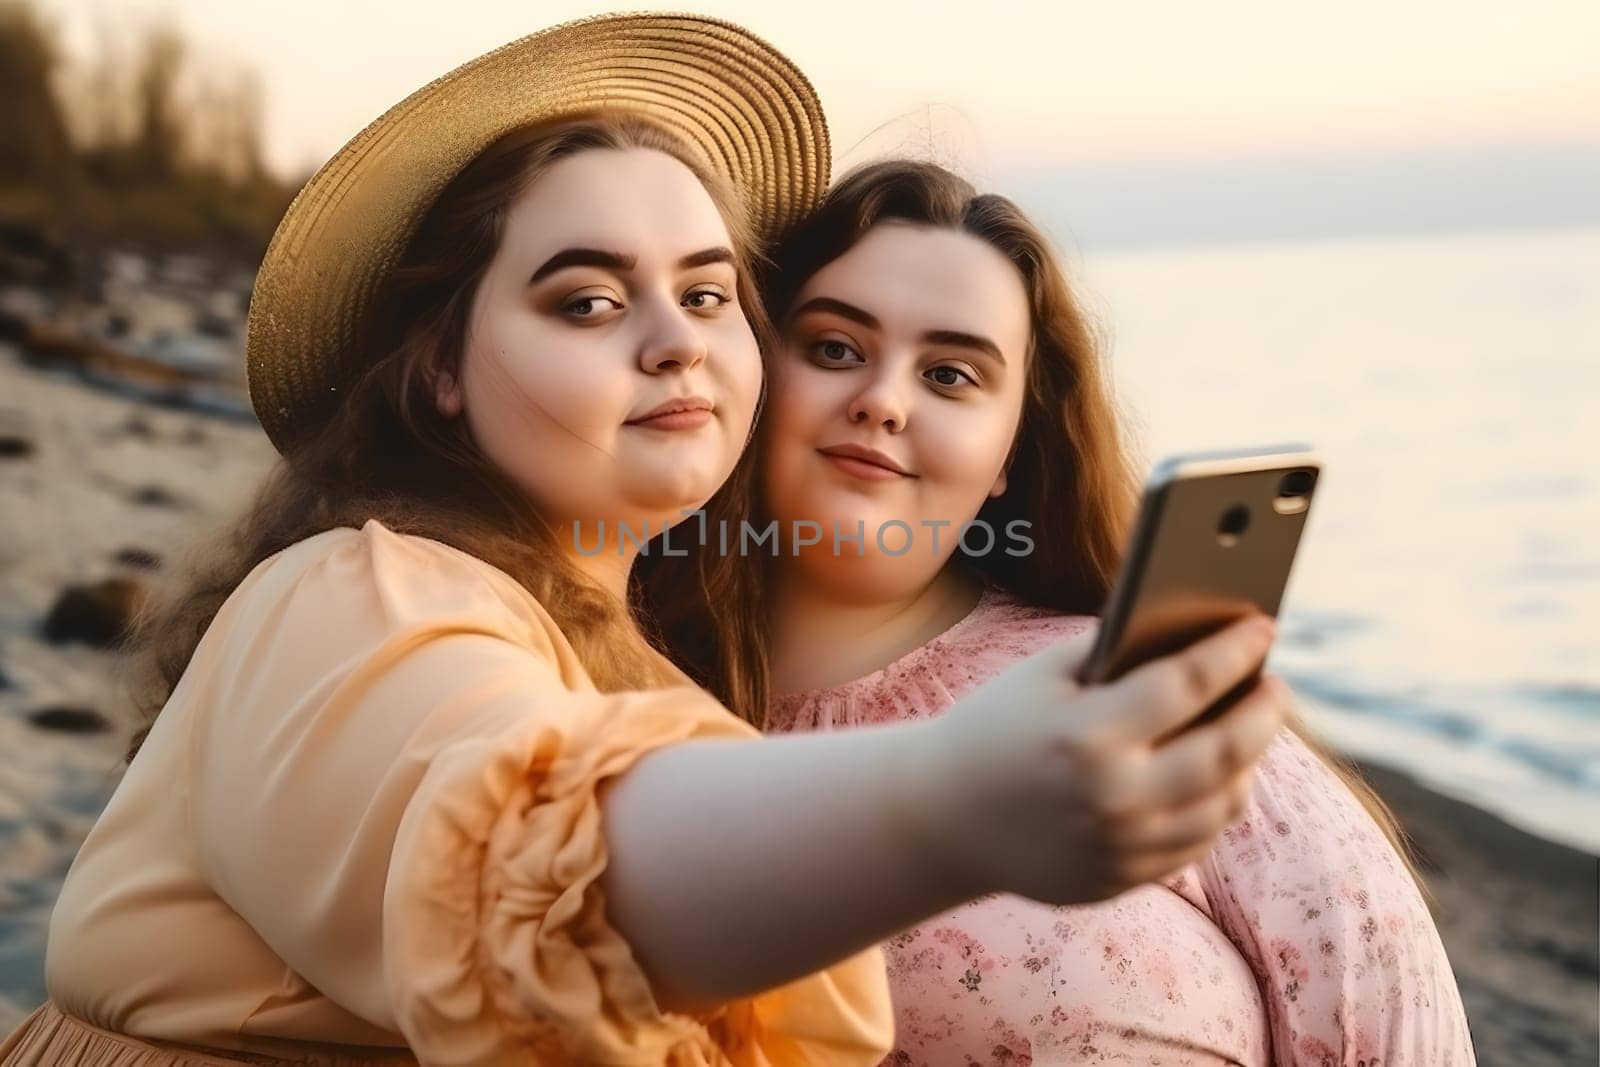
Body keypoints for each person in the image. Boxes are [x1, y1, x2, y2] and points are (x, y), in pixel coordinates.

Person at [1, 16, 1290, 1066]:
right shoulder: (348, 594)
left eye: (710, 290)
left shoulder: (647, 670)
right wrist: (957, 794)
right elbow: (534, 856)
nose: (674, 336)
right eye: (589, 298)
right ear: (441, 366)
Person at [647, 160, 1478, 1064]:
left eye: (952, 375)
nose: (882, 401)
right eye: (836, 349)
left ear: (1010, 452)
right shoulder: (622, 709)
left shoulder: (1121, 690)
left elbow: (1392, 1024)